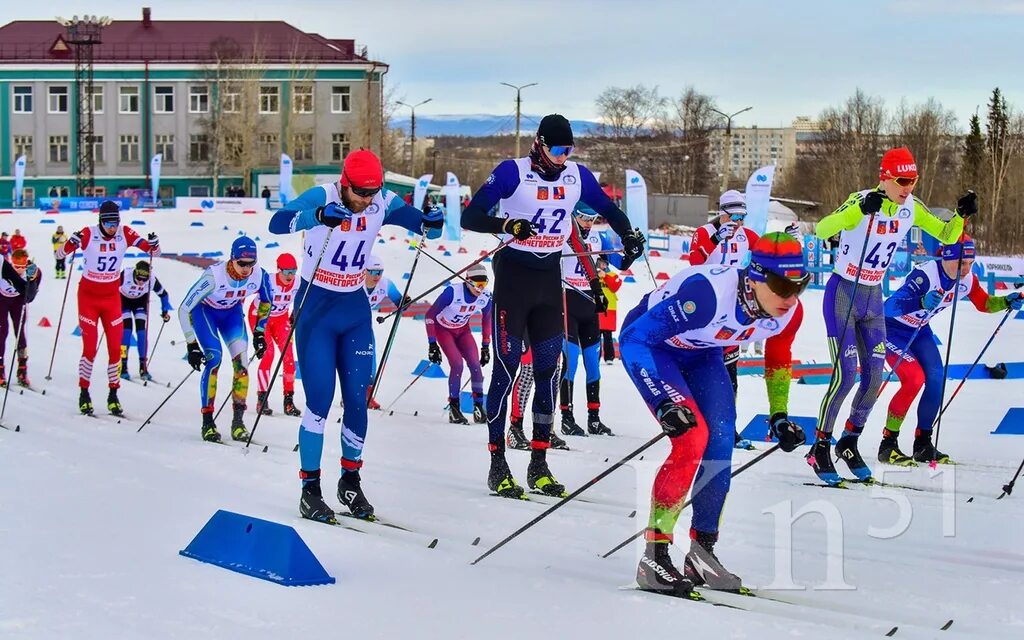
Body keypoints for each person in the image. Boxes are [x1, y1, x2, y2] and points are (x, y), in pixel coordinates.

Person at [461, 113, 646, 499]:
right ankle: (498, 464)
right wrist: (507, 227)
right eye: (557, 149)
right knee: (507, 371)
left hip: (548, 282)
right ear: (539, 144)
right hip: (514, 278)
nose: (563, 157)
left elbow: (609, 210)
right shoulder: (513, 172)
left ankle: (539, 464)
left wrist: (628, 236)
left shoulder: (576, 176)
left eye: (569, 150)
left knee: (550, 369)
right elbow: (471, 216)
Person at [621, 233, 809, 598]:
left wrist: (780, 414)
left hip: (703, 352)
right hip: (655, 348)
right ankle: (654, 555)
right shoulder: (707, 295)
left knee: (722, 438)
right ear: (754, 278)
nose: (790, 296)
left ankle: (702, 552)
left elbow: (778, 357)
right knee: (692, 439)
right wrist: (663, 402)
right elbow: (634, 338)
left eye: (799, 285)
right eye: (781, 285)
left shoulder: (788, 312)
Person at [268, 149, 444, 523]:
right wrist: (315, 217)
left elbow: (424, 224)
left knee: (358, 400)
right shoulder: (323, 196)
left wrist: (432, 220)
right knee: (319, 400)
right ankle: (310, 489)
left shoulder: (381, 199)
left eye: (373, 193)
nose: (367, 201)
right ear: (345, 184)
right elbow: (277, 222)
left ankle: (350, 480)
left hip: (354, 310)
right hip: (316, 307)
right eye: (361, 193)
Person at [809, 147, 974, 486]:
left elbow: (945, 234)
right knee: (846, 376)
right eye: (902, 181)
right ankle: (820, 446)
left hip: (872, 297)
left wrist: (960, 215)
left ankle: (849, 441)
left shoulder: (911, 207)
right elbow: (823, 229)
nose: (908, 188)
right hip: (843, 292)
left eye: (913, 181)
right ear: (884, 178)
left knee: (874, 378)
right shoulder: (862, 200)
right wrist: (856, 210)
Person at [880, 237, 1024, 465]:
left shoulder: (967, 280)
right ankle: (888, 444)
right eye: (961, 263)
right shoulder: (925, 275)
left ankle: (923, 443)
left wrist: (1006, 301)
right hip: (892, 329)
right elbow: (888, 307)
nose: (966, 269)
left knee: (937, 378)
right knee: (914, 379)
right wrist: (920, 301)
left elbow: (985, 303)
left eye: (970, 263)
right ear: (947, 258)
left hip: (919, 331)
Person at [57, 200, 160, 416]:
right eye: (108, 223)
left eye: (115, 222)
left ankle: (113, 395)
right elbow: (59, 255)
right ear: (101, 221)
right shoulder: (88, 233)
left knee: (116, 349)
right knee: (90, 347)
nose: (112, 228)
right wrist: (70, 243)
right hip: (89, 298)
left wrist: (154, 243)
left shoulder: (125, 233)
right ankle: (84, 393)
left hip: (112, 298)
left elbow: (154, 252)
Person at [688, 190, 762, 451]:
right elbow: (694, 264)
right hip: (707, 309)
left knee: (731, 376)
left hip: (731, 310)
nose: (739, 222)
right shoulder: (704, 232)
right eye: (735, 216)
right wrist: (717, 240)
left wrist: (787, 240)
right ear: (723, 212)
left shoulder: (745, 235)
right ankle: (700, 424)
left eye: (743, 216)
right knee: (707, 370)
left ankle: (729, 428)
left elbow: (767, 249)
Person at [179, 237, 272, 443]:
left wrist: (259, 332)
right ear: (232, 259)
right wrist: (192, 344)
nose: (247, 269)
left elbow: (267, 301)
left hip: (231, 315)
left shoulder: (259, 275)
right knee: (214, 360)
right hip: (206, 313)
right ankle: (208, 422)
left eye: (251, 264)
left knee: (242, 365)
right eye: (242, 263)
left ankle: (238, 422)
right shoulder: (214, 276)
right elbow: (184, 308)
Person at [558, 209, 614, 437]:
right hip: (568, 303)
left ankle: (594, 418)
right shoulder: (562, 236)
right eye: (584, 219)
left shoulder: (598, 238)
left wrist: (632, 249)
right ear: (574, 216)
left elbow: (616, 261)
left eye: (592, 219)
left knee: (593, 365)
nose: (589, 224)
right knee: (570, 365)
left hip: (590, 304)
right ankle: (566, 418)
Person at [425, 264, 493, 424]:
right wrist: (432, 344)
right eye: (477, 284)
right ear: (468, 281)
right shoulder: (452, 292)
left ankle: (478, 407)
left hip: (463, 331)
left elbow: (487, 320)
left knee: (476, 366)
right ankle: (454, 408)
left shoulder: (486, 296)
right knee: (457, 364)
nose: (480, 288)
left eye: (484, 284)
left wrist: (485, 345)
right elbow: (429, 315)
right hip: (443, 330)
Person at [248, 252, 301, 418]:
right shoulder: (268, 281)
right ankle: (262, 399)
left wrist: (295, 313)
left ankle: (289, 401)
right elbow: (245, 291)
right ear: (279, 270)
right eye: (286, 272)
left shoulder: (297, 282)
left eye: (293, 271)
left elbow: (304, 297)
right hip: (259, 317)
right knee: (268, 355)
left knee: (289, 358)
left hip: (281, 319)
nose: (290, 276)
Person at [506, 344, 570, 451]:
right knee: (528, 370)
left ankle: (545, 429)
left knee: (553, 372)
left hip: (551, 329)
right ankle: (515, 428)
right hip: (527, 329)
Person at [363, 254, 406, 411]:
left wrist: (404, 302)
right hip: (344, 323)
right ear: (364, 271)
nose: (377, 276)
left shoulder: (386, 284)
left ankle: (366, 394)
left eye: (380, 272)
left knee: (370, 358)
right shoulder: (354, 282)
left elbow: (399, 302)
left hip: (365, 326)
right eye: (373, 272)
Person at [119, 261, 172, 382]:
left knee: (141, 333)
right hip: (123, 302)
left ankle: (143, 366)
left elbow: (164, 295)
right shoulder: (126, 274)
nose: (141, 282)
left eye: (144, 279)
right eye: (139, 278)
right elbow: (111, 287)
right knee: (126, 332)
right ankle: (123, 365)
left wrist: (165, 311)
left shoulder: (152, 279)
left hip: (140, 302)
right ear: (135, 273)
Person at [0, 250, 42, 387]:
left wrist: (33, 280)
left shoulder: (33, 271)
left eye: (22, 267)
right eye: (16, 266)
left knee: (20, 332)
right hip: (2, 299)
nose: (19, 270)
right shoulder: (4, 268)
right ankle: (0, 368)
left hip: (18, 301)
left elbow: (30, 297)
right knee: (2, 331)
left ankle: (22, 368)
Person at [596, 256, 622, 363]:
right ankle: (595, 357)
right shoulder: (593, 275)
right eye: (600, 264)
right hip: (596, 307)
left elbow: (614, 286)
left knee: (608, 335)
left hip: (609, 308)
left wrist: (605, 276)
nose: (602, 266)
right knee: (595, 335)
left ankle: (609, 357)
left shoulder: (612, 275)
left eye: (604, 264)